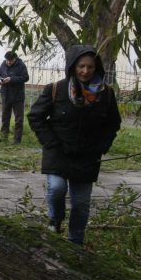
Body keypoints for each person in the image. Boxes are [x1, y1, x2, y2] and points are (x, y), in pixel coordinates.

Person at [27, 45, 121, 245]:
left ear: (97, 68)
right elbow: (36, 117)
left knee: (81, 203)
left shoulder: (106, 94)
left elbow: (113, 124)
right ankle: (55, 220)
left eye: (90, 67)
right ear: (72, 67)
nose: (85, 71)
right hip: (58, 152)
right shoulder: (56, 89)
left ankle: (75, 242)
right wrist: (50, 143)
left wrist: (102, 147)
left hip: (87, 157)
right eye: (81, 66)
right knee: (56, 188)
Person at [0, 50, 29, 144]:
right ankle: (3, 136)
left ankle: (17, 139)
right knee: (5, 117)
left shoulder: (21, 65)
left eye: (10, 61)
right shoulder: (4, 64)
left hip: (17, 96)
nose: (8, 62)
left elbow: (25, 78)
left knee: (18, 118)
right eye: (7, 60)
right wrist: (0, 80)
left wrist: (11, 79)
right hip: (5, 94)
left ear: (15, 59)